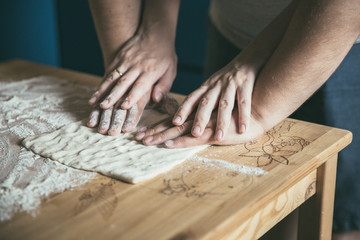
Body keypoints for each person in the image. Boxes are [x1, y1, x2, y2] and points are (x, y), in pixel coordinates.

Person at [87, 0, 360, 239]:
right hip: (232, 30)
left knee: (336, 216)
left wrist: (258, 110)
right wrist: (154, 29)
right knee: (245, 210)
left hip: (336, 39)